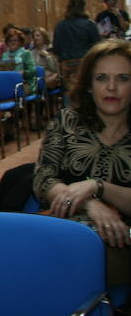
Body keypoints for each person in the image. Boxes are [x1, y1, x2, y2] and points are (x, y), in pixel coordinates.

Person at [33, 38, 131, 288]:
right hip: (65, 229)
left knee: (69, 272)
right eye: (101, 78)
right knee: (18, 262)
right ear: (88, 85)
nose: (111, 87)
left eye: (122, 78)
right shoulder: (67, 120)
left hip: (121, 238)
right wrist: (89, 203)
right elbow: (44, 178)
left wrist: (99, 186)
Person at [53, 0, 100, 91]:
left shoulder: (60, 26)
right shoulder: (89, 24)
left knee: (69, 93)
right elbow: (98, 46)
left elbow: (56, 48)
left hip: (67, 65)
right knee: (86, 91)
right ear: (84, 7)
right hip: (86, 62)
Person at [0, 28, 36, 94]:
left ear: (20, 41)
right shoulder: (5, 55)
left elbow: (33, 71)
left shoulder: (26, 53)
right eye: (10, 41)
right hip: (9, 83)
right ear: (7, 42)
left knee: (13, 93)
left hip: (25, 83)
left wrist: (24, 73)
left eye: (15, 40)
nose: (12, 42)